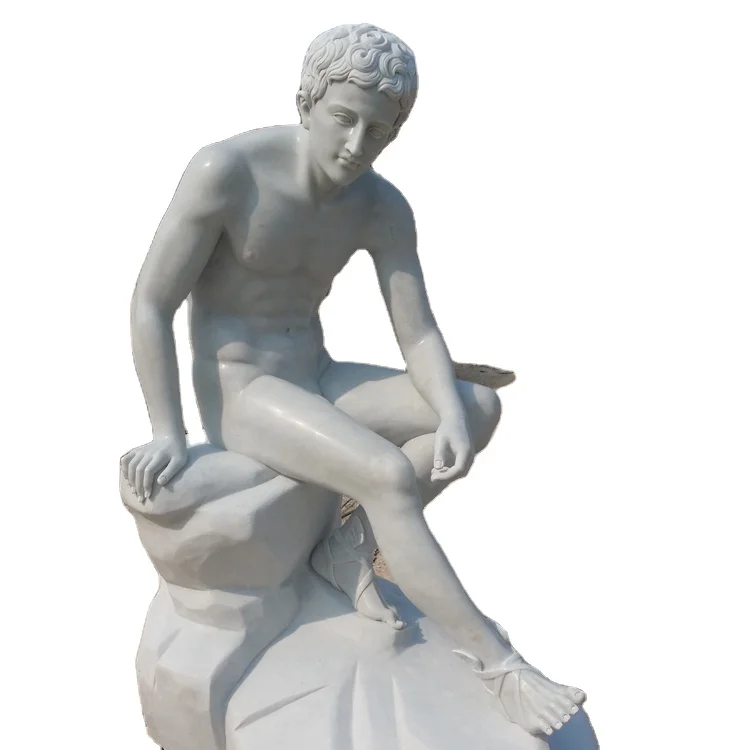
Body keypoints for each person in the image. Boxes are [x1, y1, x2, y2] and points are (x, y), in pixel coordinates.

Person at [120, 23, 584, 737]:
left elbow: (417, 331)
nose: (355, 145)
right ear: (306, 102)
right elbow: (151, 302)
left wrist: (448, 413)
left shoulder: (380, 206)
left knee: (479, 407)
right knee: (386, 475)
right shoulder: (228, 171)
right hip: (243, 391)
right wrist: (167, 429)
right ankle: (501, 667)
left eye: (379, 131)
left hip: (317, 373)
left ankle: (349, 544)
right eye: (344, 118)